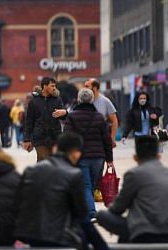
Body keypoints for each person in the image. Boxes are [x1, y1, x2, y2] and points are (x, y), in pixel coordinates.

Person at [14, 133, 129, 250]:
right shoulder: (73, 175)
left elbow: (19, 202)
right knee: (84, 231)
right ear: (75, 153)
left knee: (83, 227)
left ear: (55, 149)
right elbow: (81, 213)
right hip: (52, 237)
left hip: (26, 233)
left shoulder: (31, 170)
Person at [96, 135, 168, 243]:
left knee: (101, 216)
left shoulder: (134, 174)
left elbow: (118, 207)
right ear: (158, 156)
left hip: (142, 232)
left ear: (135, 157)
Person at [63, 88, 113, 221]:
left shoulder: (72, 116)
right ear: (92, 100)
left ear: (79, 100)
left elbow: (66, 137)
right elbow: (106, 139)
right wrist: (109, 159)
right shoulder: (99, 117)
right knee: (90, 185)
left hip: (81, 156)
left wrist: (66, 156)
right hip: (98, 157)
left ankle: (90, 212)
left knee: (85, 185)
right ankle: (87, 210)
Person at [22, 77, 68, 161]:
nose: (54, 88)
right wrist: (27, 139)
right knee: (43, 160)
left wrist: (64, 112)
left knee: (55, 162)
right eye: (52, 86)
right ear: (45, 86)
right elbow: (29, 121)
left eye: (55, 86)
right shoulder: (34, 101)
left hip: (55, 137)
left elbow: (63, 115)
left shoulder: (57, 99)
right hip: (40, 138)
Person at [84, 78, 119, 147]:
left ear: (95, 88)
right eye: (84, 86)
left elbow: (114, 120)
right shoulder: (83, 101)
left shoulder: (106, 101)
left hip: (101, 139)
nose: (84, 89)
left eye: (87, 86)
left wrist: (112, 138)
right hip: (86, 140)